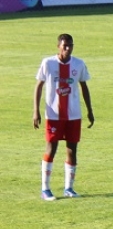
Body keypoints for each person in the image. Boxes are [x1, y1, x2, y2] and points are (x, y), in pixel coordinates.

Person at [32, 33, 94, 202]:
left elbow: (84, 87)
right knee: (51, 149)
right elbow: (39, 86)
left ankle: (69, 188)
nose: (67, 48)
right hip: (53, 115)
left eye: (70, 45)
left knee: (72, 150)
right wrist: (35, 111)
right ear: (58, 46)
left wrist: (89, 110)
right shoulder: (48, 63)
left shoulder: (79, 64)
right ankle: (45, 188)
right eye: (64, 45)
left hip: (74, 115)